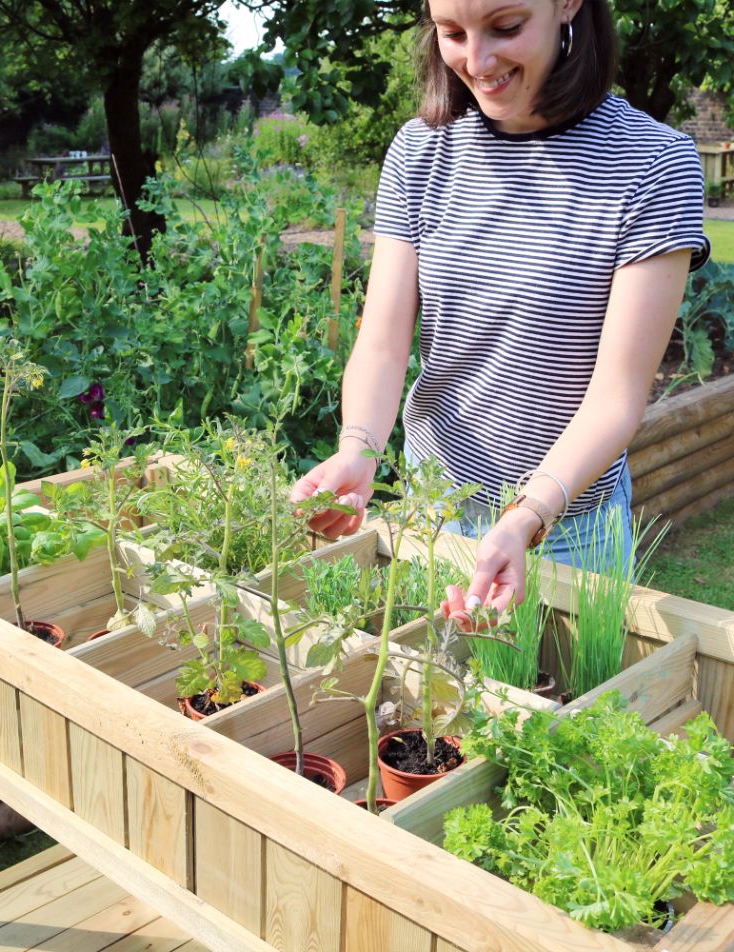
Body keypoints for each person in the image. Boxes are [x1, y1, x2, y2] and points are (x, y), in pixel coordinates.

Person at [290, 0, 710, 621]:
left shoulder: (653, 164)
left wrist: (526, 518)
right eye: (453, 32)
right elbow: (382, 344)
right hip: (432, 509)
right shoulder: (421, 149)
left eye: (506, 28)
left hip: (567, 527)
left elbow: (616, 396)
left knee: (556, 712)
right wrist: (359, 448)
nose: (477, 61)